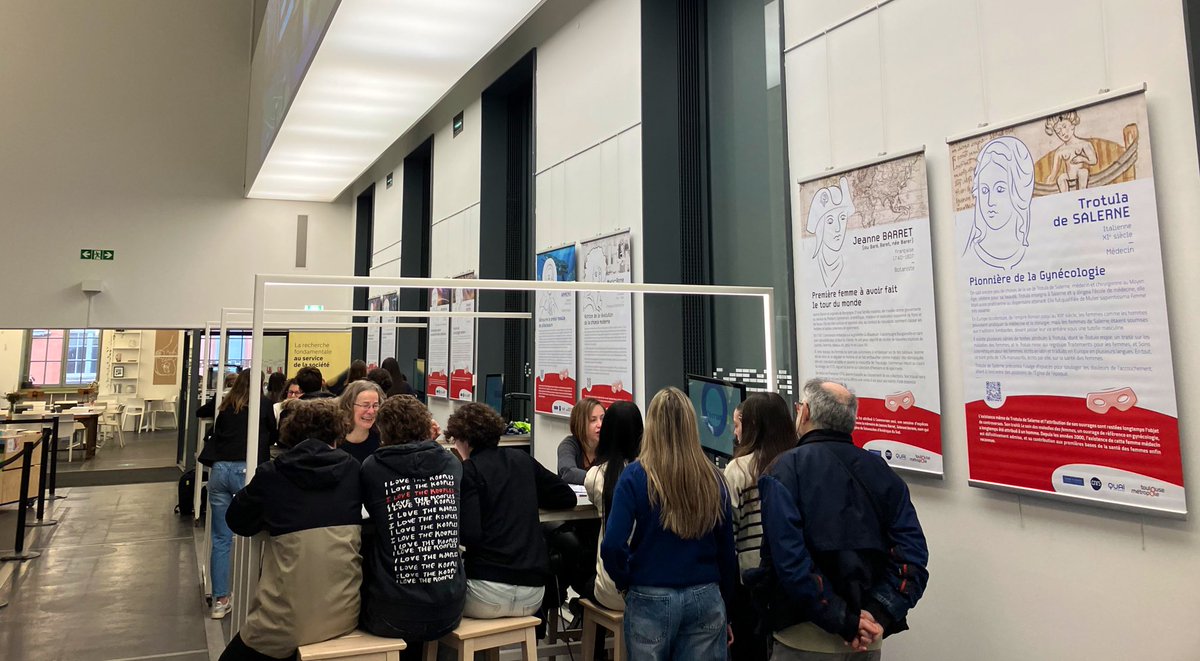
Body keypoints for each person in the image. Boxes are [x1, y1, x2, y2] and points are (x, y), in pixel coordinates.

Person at [755, 379, 929, 660]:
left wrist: (845, 620)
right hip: (867, 641)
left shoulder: (785, 471)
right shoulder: (883, 473)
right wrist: (877, 613)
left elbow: (790, 561)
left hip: (804, 639)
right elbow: (913, 557)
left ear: (805, 413)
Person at [219, 399, 363, 661]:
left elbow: (237, 520)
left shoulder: (273, 474)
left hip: (283, 623)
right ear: (338, 431)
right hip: (345, 613)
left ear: (291, 432)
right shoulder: (353, 471)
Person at [600, 387, 738, 660]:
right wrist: (728, 609)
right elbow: (727, 552)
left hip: (650, 593)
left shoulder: (634, 477)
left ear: (650, 427)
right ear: (692, 425)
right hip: (705, 595)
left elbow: (613, 545)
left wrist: (626, 581)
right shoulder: (714, 478)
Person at [449, 402, 576, 618]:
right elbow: (567, 497)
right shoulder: (522, 460)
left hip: (485, 592)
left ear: (464, 440)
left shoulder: (469, 471)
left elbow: (469, 534)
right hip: (533, 594)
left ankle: (468, 652)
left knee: (442, 607)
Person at [360, 396, 465, 652]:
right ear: (426, 424)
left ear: (382, 430)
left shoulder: (373, 468)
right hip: (450, 609)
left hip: (390, 614)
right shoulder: (451, 464)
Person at [196, 369, 276, 620]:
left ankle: (221, 599)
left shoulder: (226, 404)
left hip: (219, 470)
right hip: (245, 470)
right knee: (257, 533)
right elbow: (273, 435)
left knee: (221, 539)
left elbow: (217, 433)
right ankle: (259, 596)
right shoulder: (264, 405)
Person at [723, 392, 798, 661]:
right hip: (791, 574)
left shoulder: (738, 470)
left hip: (749, 579)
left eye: (739, 424)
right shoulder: (796, 463)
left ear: (754, 426)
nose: (735, 432)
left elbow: (728, 532)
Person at [582, 401, 643, 611]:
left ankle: (587, 627)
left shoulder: (597, 476)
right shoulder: (650, 473)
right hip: (646, 586)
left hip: (615, 589)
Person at [962, 135, 1035, 270]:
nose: (990, 202)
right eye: (984, 190)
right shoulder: (968, 255)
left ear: (1019, 191)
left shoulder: (1036, 248)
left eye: (1000, 189)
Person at [558, 397, 604, 484]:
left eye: (602, 418)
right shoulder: (568, 445)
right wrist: (599, 480)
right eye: (593, 420)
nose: (600, 424)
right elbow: (569, 473)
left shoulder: (608, 445)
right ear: (580, 423)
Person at [338, 380, 385, 463]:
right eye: (365, 405)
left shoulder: (382, 441)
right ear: (349, 406)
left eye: (375, 405)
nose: (371, 411)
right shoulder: (333, 441)